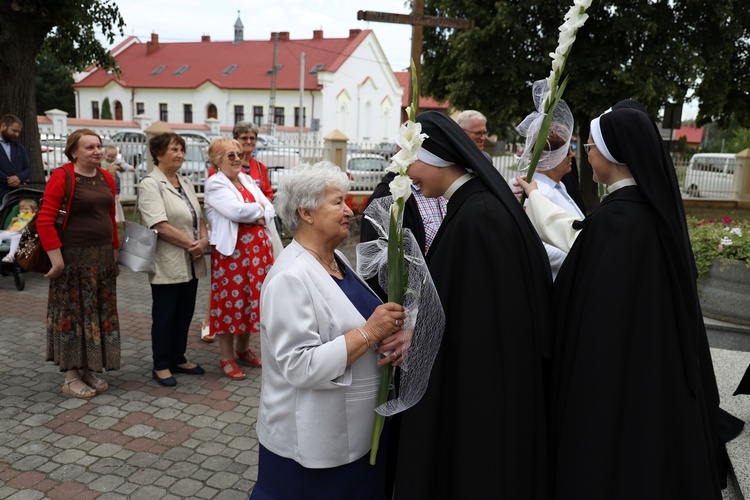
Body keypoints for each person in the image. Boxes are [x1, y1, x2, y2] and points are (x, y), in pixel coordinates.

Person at [518, 107, 726, 499]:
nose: (586, 155)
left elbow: (578, 246)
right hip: (653, 368)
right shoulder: (648, 213)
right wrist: (533, 195)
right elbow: (579, 235)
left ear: (613, 156)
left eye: (592, 146)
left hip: (616, 378)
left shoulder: (619, 219)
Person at [392, 111, 553, 499]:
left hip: (482, 396)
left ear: (437, 160)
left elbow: (478, 319)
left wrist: (421, 337)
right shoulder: (471, 205)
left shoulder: (477, 216)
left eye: (410, 161)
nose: (407, 172)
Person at [251, 161, 406, 499]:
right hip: (315, 444)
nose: (349, 210)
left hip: (358, 432)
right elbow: (299, 365)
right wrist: (369, 333)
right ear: (306, 212)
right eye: (337, 202)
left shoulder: (336, 260)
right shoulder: (290, 277)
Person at [38, 128, 121, 399]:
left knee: (95, 315)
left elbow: (111, 218)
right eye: (90, 147)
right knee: (75, 317)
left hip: (102, 260)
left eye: (99, 146)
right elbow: (44, 221)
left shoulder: (106, 177)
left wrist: (115, 251)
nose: (97, 151)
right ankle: (71, 376)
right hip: (73, 261)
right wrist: (57, 261)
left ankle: (87, 369)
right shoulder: (63, 176)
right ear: (74, 151)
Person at [138, 133, 209, 387]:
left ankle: (178, 357)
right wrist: (192, 245)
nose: (180, 154)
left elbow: (197, 216)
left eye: (182, 149)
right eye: (174, 149)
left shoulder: (185, 182)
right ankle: (161, 364)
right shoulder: (150, 183)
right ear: (158, 154)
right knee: (165, 314)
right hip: (168, 259)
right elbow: (159, 224)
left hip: (191, 259)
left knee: (185, 312)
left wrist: (203, 239)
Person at [204, 137, 275, 379]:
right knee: (229, 304)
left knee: (252, 301)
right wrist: (258, 213)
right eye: (230, 155)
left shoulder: (246, 179)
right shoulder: (215, 184)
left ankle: (243, 350)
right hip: (232, 254)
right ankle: (227, 357)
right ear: (217, 160)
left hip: (258, 253)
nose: (237, 159)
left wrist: (257, 214)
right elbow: (236, 211)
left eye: (238, 154)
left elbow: (270, 208)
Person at [515, 88, 584, 279]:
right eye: (566, 150)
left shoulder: (558, 185)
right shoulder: (538, 192)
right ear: (551, 157)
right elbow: (534, 246)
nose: (572, 155)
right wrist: (582, 254)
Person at [0, 114, 32, 200]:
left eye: (18, 132)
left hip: (16, 195)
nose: (17, 135)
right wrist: (9, 181)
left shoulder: (19, 147)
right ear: (3, 126)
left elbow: (28, 168)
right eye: (14, 131)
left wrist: (19, 178)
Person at [1, 198, 37, 263]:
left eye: (26, 209)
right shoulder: (19, 218)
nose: (23, 211)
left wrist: (28, 221)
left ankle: (10, 256)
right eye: (21, 209)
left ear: (33, 211)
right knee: (2, 234)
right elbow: (9, 229)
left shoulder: (33, 219)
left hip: (24, 236)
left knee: (16, 237)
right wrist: (12, 223)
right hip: (13, 233)